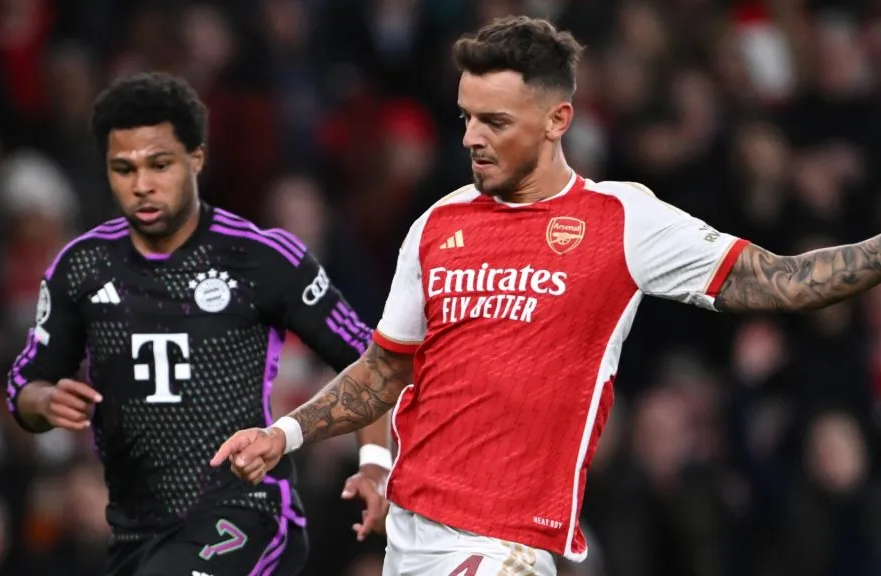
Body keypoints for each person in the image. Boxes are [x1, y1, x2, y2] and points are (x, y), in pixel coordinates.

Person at [212, 15, 881, 576]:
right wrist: (286, 434)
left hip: (505, 546)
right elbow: (387, 369)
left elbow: (785, 282)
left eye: (495, 121)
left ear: (559, 118)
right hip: (411, 543)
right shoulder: (437, 224)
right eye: (467, 117)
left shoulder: (623, 220)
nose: (472, 137)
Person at [6, 72, 393, 576]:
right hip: (134, 531)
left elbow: (373, 363)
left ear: (197, 159)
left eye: (159, 165)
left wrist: (375, 465)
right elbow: (25, 384)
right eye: (123, 169)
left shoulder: (261, 258)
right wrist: (44, 401)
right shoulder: (81, 266)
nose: (141, 185)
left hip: (245, 513)